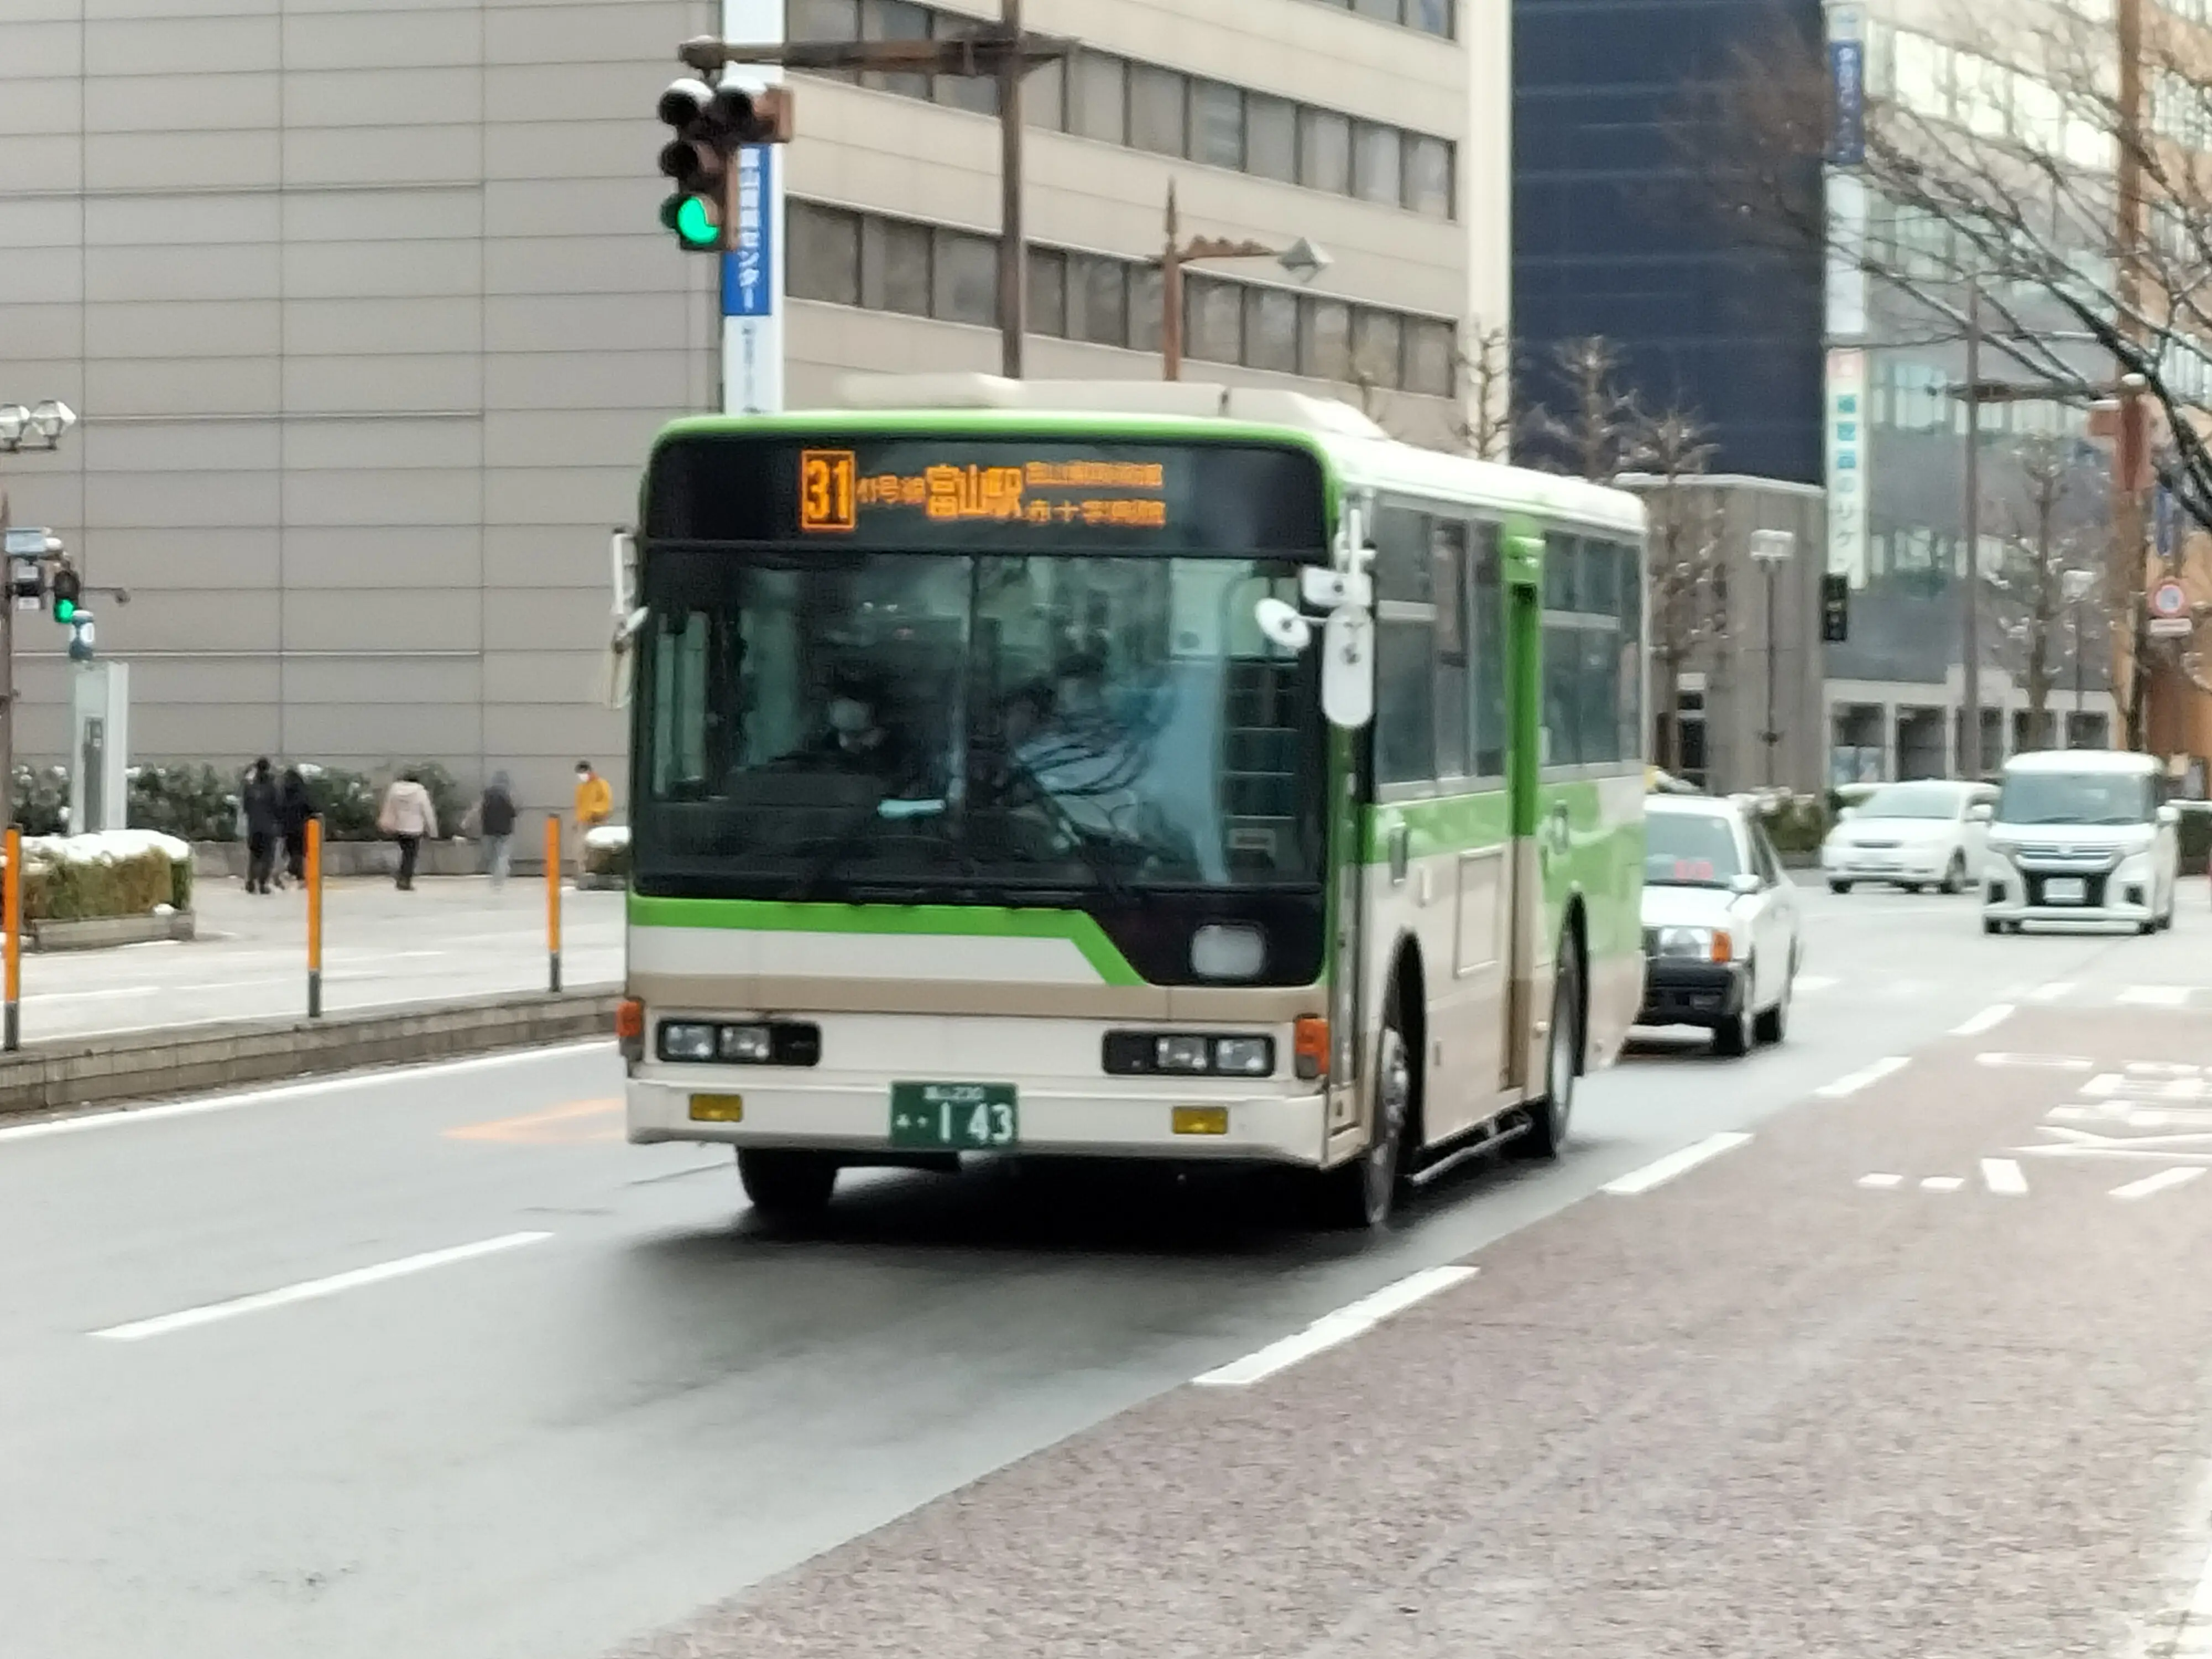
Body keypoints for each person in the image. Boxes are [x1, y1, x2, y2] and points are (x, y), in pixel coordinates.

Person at [378, 769, 437, 890]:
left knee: (405, 853)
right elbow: (427, 811)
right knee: (410, 856)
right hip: (415, 829)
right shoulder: (420, 792)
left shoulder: (394, 790)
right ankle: (405, 880)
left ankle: (401, 875)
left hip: (399, 827)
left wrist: (386, 823)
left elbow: (388, 807)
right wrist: (433, 830)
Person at [468, 771, 518, 889]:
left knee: (492, 856)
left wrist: (467, 821)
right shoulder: (509, 794)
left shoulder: (487, 794)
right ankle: (500, 878)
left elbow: (477, 808)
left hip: (489, 829)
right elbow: (514, 811)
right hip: (506, 830)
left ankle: (497, 875)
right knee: (503, 855)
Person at [241, 759, 280, 895]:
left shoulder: (250, 788)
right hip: (269, 828)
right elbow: (278, 807)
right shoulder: (272, 787)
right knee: (267, 857)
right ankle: (263, 884)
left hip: (254, 827)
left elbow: (246, 807)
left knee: (254, 856)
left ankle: (251, 881)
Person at [573, 760, 613, 876]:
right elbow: (580, 805)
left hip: (598, 821)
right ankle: (582, 871)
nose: (582, 776)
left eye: (583, 772)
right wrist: (577, 820)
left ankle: (597, 870)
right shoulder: (581, 788)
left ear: (590, 771)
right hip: (584, 822)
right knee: (581, 848)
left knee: (597, 848)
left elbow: (606, 802)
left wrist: (595, 813)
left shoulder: (601, 784)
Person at [278, 766, 311, 888]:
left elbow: (278, 808)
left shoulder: (283, 792)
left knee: (291, 851)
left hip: (286, 827)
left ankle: (296, 874)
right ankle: (295, 873)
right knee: (299, 852)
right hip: (300, 825)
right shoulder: (302, 792)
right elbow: (309, 807)